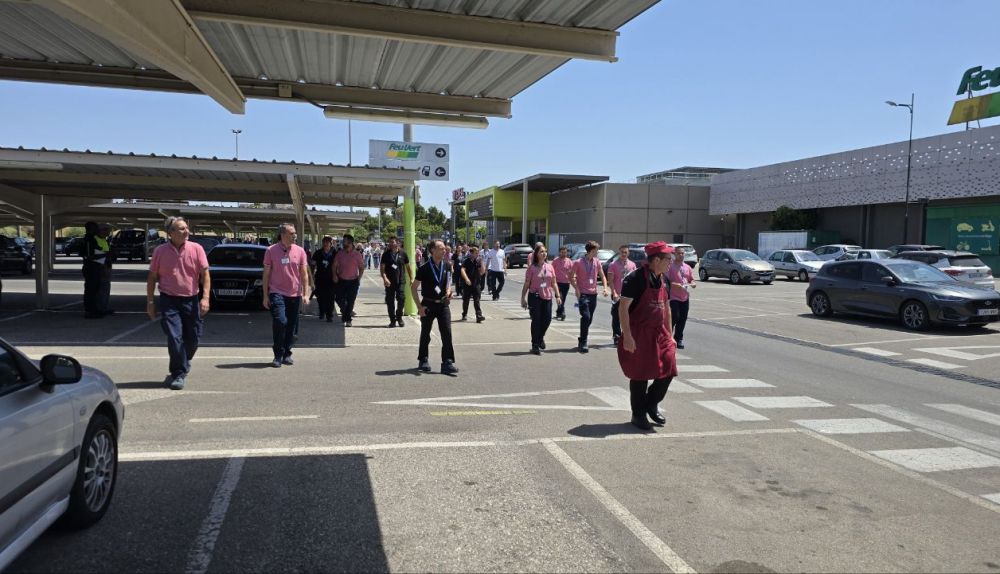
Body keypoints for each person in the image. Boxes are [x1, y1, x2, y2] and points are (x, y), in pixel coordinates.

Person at [146, 216, 210, 390]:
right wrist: (150, 302)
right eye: (181, 229)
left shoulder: (196, 249)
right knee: (174, 337)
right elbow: (152, 277)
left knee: (193, 338)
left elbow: (205, 275)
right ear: (170, 233)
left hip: (191, 299)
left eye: (186, 228)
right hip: (169, 300)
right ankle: (178, 373)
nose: (186, 231)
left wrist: (205, 298)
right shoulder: (160, 251)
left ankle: (184, 359)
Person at [618, 242, 677, 430]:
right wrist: (627, 336)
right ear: (656, 260)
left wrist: (671, 335)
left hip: (660, 332)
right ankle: (638, 413)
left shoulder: (664, 280)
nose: (671, 262)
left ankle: (651, 402)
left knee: (669, 368)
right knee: (640, 374)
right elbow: (623, 308)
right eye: (668, 258)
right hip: (639, 332)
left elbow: (667, 309)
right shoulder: (635, 279)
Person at [262, 223, 310, 368]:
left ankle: (286, 353)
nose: (295, 235)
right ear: (283, 235)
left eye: (295, 233)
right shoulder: (271, 251)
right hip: (277, 292)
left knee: (291, 326)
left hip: (294, 294)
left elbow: (304, 274)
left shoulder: (300, 251)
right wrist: (265, 295)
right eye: (291, 233)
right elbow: (266, 274)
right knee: (280, 321)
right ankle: (277, 355)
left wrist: (305, 293)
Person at [412, 239, 458, 375]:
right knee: (425, 333)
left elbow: (448, 283)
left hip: (443, 304)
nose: (445, 250)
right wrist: (419, 307)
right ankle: (423, 359)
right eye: (441, 248)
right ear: (432, 250)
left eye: (445, 248)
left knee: (447, 334)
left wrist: (449, 292)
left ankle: (447, 362)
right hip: (428, 304)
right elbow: (413, 288)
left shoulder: (447, 265)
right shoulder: (424, 268)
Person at [520, 244, 560, 355]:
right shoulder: (531, 268)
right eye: (541, 251)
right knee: (536, 320)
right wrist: (523, 298)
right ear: (536, 254)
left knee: (547, 320)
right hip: (535, 297)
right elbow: (527, 284)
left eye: (545, 251)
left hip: (547, 297)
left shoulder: (550, 267)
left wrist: (557, 296)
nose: (544, 253)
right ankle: (535, 345)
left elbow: (554, 282)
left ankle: (540, 337)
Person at [570, 240, 609, 353]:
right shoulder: (578, 262)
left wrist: (606, 288)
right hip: (583, 294)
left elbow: (602, 276)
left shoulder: (597, 262)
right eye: (596, 250)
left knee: (589, 318)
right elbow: (571, 276)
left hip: (593, 294)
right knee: (586, 317)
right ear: (591, 250)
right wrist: (576, 288)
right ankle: (583, 342)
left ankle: (582, 337)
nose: (597, 252)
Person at [607, 245, 637, 345]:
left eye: (625, 252)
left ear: (628, 253)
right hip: (618, 294)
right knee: (616, 315)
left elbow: (635, 279)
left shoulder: (632, 264)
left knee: (629, 315)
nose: (623, 254)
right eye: (622, 252)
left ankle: (627, 335)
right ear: (619, 253)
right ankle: (616, 335)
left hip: (629, 296)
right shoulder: (613, 265)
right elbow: (610, 280)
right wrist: (614, 292)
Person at [667, 246, 696, 349]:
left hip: (684, 297)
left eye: (683, 253)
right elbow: (666, 282)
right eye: (679, 253)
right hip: (674, 297)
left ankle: (678, 338)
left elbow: (691, 279)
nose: (681, 255)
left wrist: (693, 283)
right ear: (674, 254)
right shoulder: (670, 266)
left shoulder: (687, 267)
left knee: (682, 319)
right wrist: (675, 285)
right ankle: (668, 337)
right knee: (675, 316)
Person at [333, 234, 365, 327]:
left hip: (353, 281)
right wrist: (334, 275)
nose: (343, 243)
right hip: (341, 280)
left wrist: (359, 278)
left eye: (345, 241)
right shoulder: (340, 253)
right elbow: (334, 265)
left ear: (350, 243)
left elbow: (361, 267)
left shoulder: (357, 254)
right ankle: (345, 311)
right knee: (338, 298)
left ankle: (348, 319)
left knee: (350, 301)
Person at [381, 236, 412, 327]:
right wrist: (385, 278)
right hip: (389, 282)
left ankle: (399, 317)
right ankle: (392, 320)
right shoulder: (386, 254)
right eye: (389, 242)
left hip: (401, 281)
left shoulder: (403, 253)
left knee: (402, 299)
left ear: (397, 243)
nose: (390, 244)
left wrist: (411, 278)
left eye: (392, 242)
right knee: (390, 301)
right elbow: (382, 269)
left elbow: (408, 267)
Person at [81, 221, 106, 318]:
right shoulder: (88, 240)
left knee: (95, 289)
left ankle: (94, 309)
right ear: (91, 229)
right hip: (90, 267)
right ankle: (89, 311)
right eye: (95, 228)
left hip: (95, 267)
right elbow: (89, 256)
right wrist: (104, 254)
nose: (97, 230)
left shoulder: (93, 239)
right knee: (90, 290)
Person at [311, 236, 337, 322]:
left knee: (331, 297)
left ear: (331, 243)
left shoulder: (335, 253)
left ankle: (329, 315)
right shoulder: (318, 253)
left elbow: (339, 266)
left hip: (331, 278)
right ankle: (322, 312)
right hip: (320, 278)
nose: (325, 244)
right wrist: (311, 275)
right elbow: (313, 264)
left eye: (327, 242)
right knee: (320, 297)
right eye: (324, 242)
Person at [460, 245, 486, 322]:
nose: (477, 254)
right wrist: (466, 279)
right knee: (466, 301)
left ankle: (479, 316)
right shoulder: (466, 261)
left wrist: (481, 261)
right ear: (471, 253)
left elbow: (482, 272)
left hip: (476, 284)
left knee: (477, 300)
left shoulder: (477, 261)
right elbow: (462, 270)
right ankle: (464, 314)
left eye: (478, 253)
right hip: (467, 284)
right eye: (476, 253)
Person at [97, 224, 115, 316]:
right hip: (100, 267)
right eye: (107, 231)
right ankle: (100, 308)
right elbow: (96, 254)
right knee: (101, 289)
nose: (108, 233)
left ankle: (104, 307)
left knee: (106, 288)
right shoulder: (96, 240)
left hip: (106, 266)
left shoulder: (104, 240)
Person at [552, 245, 574, 321]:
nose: (563, 254)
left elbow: (572, 272)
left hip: (566, 283)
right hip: (557, 283)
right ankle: (563, 313)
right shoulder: (555, 261)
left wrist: (573, 279)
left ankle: (558, 312)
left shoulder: (569, 261)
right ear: (559, 252)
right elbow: (551, 271)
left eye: (565, 252)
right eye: (562, 252)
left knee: (563, 299)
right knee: (559, 297)